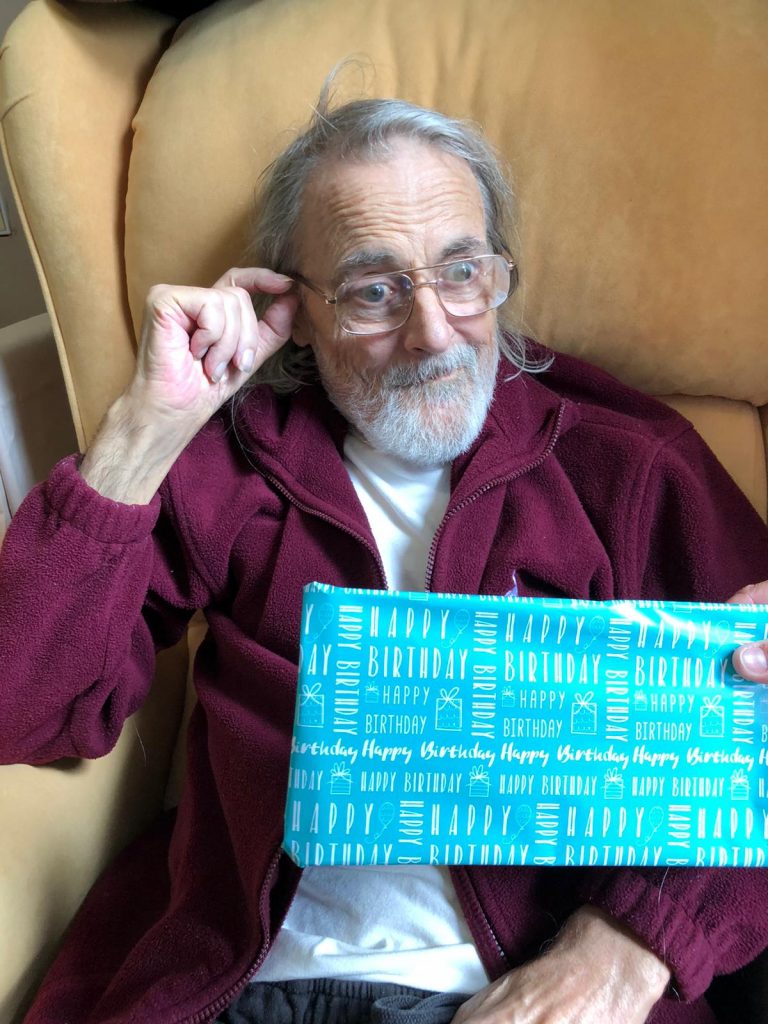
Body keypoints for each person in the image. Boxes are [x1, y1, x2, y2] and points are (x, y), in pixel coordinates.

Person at [1, 94, 768, 1024]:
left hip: (523, 993)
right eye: (373, 290)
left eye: (462, 273)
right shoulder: (229, 467)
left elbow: (760, 733)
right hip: (244, 988)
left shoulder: (627, 466)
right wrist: (143, 432)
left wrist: (622, 954)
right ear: (298, 310)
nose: (433, 331)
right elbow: (25, 709)